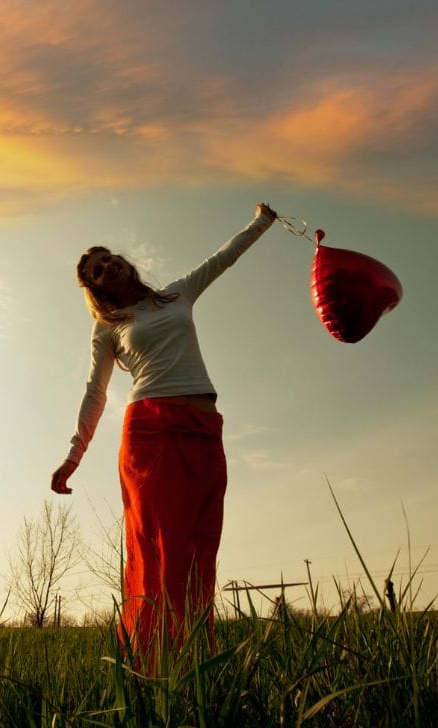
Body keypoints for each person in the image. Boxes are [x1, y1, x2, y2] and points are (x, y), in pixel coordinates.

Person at [50, 202, 278, 656]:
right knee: (163, 554)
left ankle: (194, 658)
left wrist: (262, 221)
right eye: (96, 270)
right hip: (151, 435)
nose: (106, 264)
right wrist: (75, 454)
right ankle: (157, 662)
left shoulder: (176, 295)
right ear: (97, 289)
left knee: (200, 549)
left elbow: (222, 258)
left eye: (106, 257)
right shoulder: (108, 328)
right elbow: (95, 393)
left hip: (205, 427)